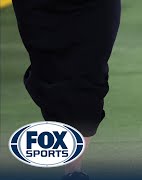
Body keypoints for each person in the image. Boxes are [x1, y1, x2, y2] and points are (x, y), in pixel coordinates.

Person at [12, 0, 121, 179]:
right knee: (48, 75)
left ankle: (73, 172)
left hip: (93, 7)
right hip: (38, 7)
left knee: (89, 76)